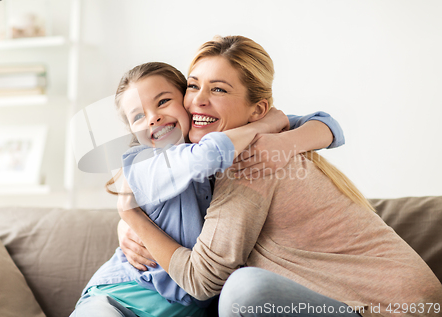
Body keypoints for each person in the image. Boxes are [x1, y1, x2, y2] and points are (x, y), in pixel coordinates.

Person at [118, 35, 442, 317]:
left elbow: (201, 281)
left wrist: (131, 216)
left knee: (243, 290)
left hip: (395, 308)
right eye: (192, 85)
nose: (198, 100)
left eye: (218, 89)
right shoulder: (226, 152)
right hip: (358, 303)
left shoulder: (254, 160)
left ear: (257, 110)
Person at [71, 59, 345, 317]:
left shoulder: (215, 145)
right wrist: (265, 125)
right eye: (138, 117)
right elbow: (208, 156)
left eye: (164, 102)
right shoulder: (143, 165)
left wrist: (286, 138)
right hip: (119, 299)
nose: (153, 118)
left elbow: (327, 125)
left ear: (188, 104)